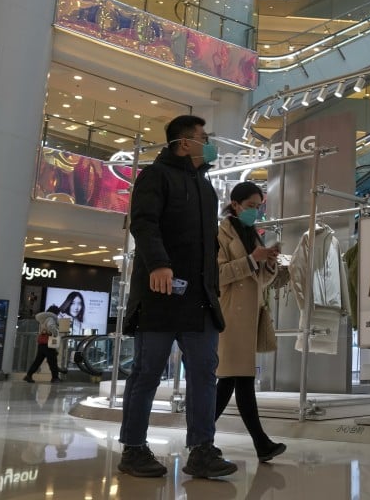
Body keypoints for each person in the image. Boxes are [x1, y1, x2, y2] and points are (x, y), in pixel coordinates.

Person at [117, 115, 236, 479]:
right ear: (185, 143)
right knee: (147, 372)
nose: (210, 143)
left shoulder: (204, 186)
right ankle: (134, 448)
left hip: (199, 298)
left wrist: (212, 287)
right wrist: (158, 264)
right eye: (205, 137)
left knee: (204, 371)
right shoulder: (155, 176)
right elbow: (144, 223)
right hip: (159, 293)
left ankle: (202, 448)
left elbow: (207, 247)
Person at [213, 182, 287, 463]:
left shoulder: (252, 234)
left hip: (248, 316)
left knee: (234, 380)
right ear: (235, 205)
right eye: (251, 206)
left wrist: (268, 263)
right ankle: (259, 443)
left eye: (259, 207)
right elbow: (217, 274)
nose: (255, 212)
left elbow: (259, 282)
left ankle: (201, 436)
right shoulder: (219, 232)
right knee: (236, 379)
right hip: (230, 314)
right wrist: (251, 260)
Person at [24, 306, 63, 383]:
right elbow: (51, 326)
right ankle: (55, 378)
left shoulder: (43, 319)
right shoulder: (50, 318)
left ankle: (28, 375)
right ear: (55, 312)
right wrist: (55, 333)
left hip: (42, 343)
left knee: (38, 361)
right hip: (48, 343)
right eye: (58, 313)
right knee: (52, 361)